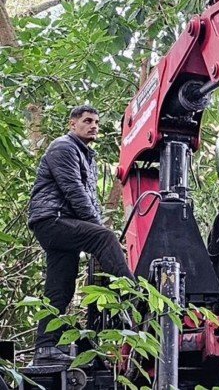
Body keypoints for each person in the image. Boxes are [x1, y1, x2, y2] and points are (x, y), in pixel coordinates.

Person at [28, 105, 135, 365]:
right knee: (104, 238)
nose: (94, 125)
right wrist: (99, 230)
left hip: (60, 223)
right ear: (72, 124)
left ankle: (45, 348)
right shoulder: (64, 147)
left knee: (59, 287)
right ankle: (134, 296)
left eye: (97, 121)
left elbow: (88, 197)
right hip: (53, 219)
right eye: (87, 120)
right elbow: (74, 191)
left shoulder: (85, 154)